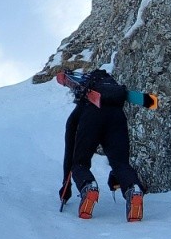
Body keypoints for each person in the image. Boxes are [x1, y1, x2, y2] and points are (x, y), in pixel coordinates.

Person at [54, 66, 154, 221]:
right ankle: (133, 189)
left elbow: (70, 148)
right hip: (117, 118)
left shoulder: (86, 99)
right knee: (121, 164)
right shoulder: (115, 96)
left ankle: (89, 187)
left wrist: (65, 188)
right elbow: (150, 102)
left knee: (80, 163)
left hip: (91, 117)